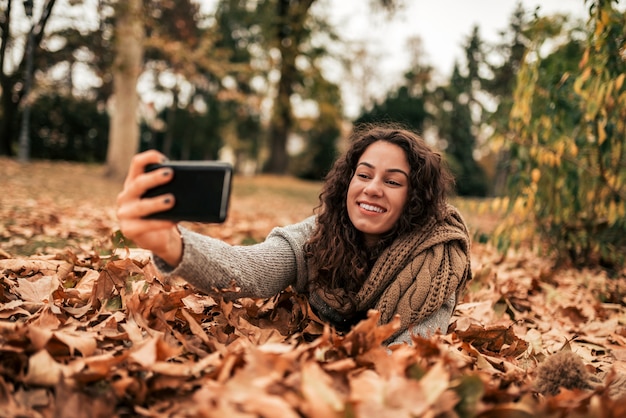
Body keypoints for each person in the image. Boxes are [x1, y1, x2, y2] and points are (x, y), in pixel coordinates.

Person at [116, 124, 472, 345]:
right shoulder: (322, 232)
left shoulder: (439, 262)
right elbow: (251, 270)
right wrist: (173, 243)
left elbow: (410, 353)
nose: (373, 189)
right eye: (363, 175)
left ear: (415, 198)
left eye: (393, 182)